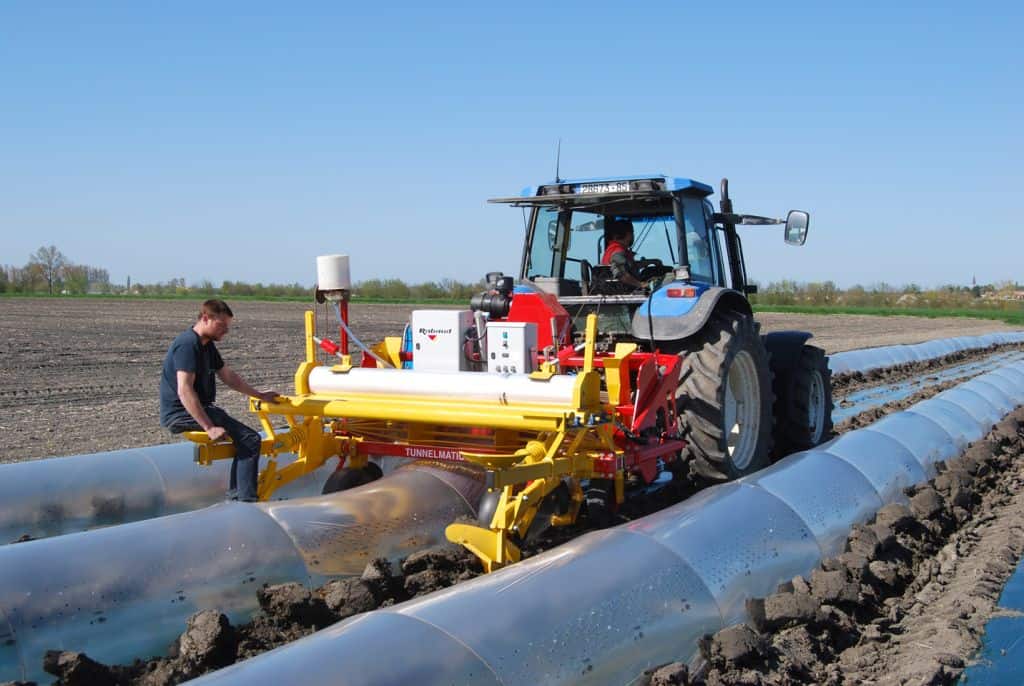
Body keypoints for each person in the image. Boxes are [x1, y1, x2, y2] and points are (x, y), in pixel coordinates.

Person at [159, 299, 279, 501]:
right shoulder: (188, 345)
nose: (226, 331)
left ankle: (237, 496)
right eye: (222, 325)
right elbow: (184, 390)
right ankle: (246, 500)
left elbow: (228, 377)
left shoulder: (206, 346)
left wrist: (260, 395)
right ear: (206, 318)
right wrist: (208, 427)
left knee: (244, 439)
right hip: (180, 413)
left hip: (200, 409)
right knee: (250, 440)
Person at [601, 218, 646, 290]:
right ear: (628, 234)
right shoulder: (618, 251)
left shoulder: (611, 249)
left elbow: (629, 266)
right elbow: (621, 275)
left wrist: (651, 262)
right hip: (623, 294)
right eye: (632, 233)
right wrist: (640, 284)